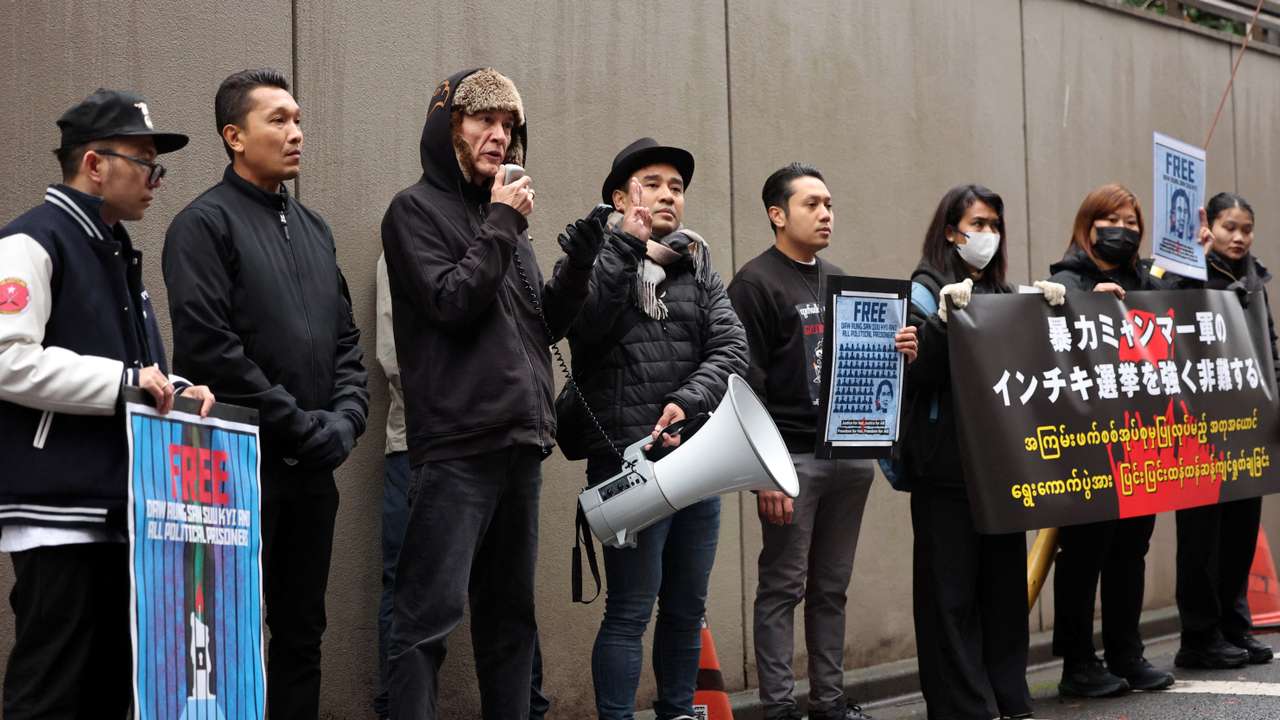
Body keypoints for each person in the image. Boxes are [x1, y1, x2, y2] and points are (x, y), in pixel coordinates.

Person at [381, 67, 603, 720]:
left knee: (511, 624)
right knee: (425, 620)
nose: (500, 136)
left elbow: (543, 326)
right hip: (456, 449)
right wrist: (504, 224)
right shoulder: (413, 212)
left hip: (520, 444)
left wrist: (581, 264)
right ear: (446, 126)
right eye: (484, 121)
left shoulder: (505, 222)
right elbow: (452, 302)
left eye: (509, 126)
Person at [0, 88, 214, 718]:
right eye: (145, 162)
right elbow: (7, 357)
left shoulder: (114, 249)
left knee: (109, 686)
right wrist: (126, 382)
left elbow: (134, 372)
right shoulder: (32, 242)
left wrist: (175, 389)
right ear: (95, 165)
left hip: (120, 511)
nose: (155, 179)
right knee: (52, 687)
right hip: (56, 509)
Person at [162, 68, 369, 719]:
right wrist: (299, 425)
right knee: (222, 642)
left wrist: (346, 421)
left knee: (303, 637)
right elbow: (209, 353)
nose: (296, 132)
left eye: (298, 118)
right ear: (233, 135)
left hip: (311, 474)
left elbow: (347, 344)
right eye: (277, 119)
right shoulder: (202, 225)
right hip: (231, 469)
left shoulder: (315, 228)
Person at [561, 137, 747, 720]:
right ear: (620, 196)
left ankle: (676, 711)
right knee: (629, 610)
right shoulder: (590, 256)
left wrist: (685, 402)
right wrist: (623, 243)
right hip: (627, 461)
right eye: (655, 183)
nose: (669, 195)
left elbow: (731, 347)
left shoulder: (696, 265)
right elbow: (586, 326)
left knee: (686, 608)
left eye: (678, 187)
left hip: (695, 459)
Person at [727, 163, 916, 720]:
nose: (826, 213)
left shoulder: (841, 281)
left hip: (850, 451)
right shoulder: (754, 282)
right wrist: (766, 472)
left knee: (831, 587)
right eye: (812, 204)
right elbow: (743, 384)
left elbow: (865, 365)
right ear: (777, 214)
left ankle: (830, 701)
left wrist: (900, 347)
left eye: (830, 203)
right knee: (783, 586)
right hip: (791, 459)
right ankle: (779, 706)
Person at [373, 252, 553, 720]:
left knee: (509, 606)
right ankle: (395, 706)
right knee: (415, 598)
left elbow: (537, 331)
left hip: (509, 447)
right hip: (427, 446)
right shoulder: (418, 229)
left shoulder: (514, 241)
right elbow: (401, 357)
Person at [905, 184, 1060, 720]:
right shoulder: (925, 290)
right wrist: (940, 323)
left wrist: (1066, 310)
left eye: (995, 224)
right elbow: (917, 373)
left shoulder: (1005, 292)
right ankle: (961, 706)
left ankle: (1007, 696)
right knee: (949, 596)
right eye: (977, 223)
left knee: (1000, 594)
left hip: (1000, 467)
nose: (987, 234)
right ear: (951, 230)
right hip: (944, 469)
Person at [1046, 183, 1176, 697]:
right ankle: (1078, 663)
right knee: (1083, 552)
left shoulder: (1145, 280)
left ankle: (1127, 653)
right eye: (1112, 220)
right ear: (1088, 224)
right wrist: (1086, 304)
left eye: (1132, 223)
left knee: (1131, 549)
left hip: (1138, 442)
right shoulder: (1066, 279)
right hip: (1086, 445)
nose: (1123, 231)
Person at [1174, 192, 1276, 669]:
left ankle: (1235, 628)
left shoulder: (1255, 280)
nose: (1238, 237)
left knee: (1239, 534)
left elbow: (1267, 347)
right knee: (1201, 539)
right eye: (1229, 227)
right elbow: (1160, 309)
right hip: (1196, 428)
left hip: (1247, 426)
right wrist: (1189, 260)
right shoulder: (1185, 272)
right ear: (1207, 227)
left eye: (1246, 229)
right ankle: (1199, 636)